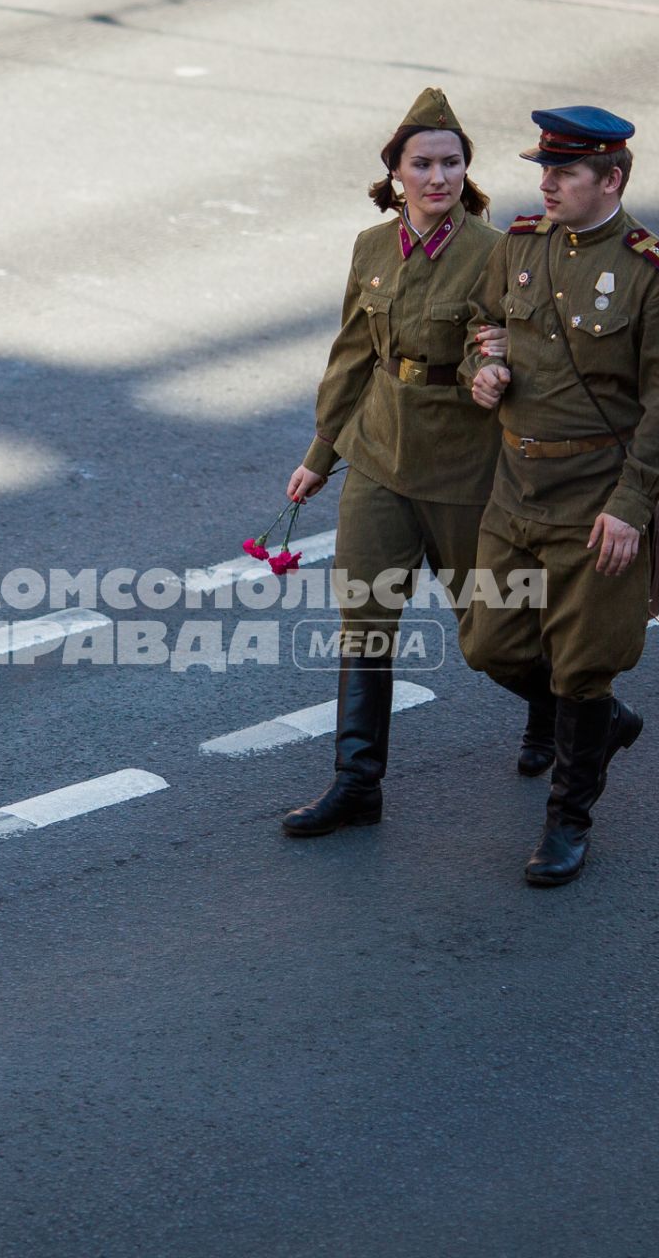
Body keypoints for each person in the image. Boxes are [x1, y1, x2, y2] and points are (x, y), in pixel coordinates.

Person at [461, 106, 659, 885]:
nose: (546, 183)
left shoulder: (654, 274)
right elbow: (482, 322)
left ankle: (567, 823)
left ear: (612, 180)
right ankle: (597, 730)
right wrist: (482, 369)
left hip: (597, 496)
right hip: (517, 487)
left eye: (564, 173)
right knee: (488, 643)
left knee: (582, 668)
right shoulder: (523, 246)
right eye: (545, 170)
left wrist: (632, 506)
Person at [279, 88, 520, 838]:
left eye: (451, 163)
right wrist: (322, 454)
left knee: (491, 631)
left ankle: (575, 715)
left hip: (460, 465)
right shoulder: (371, 248)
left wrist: (494, 368)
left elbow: (502, 336)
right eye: (423, 163)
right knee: (364, 616)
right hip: (379, 452)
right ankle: (357, 784)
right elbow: (353, 355)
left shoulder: (493, 251)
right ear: (396, 172)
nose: (438, 177)